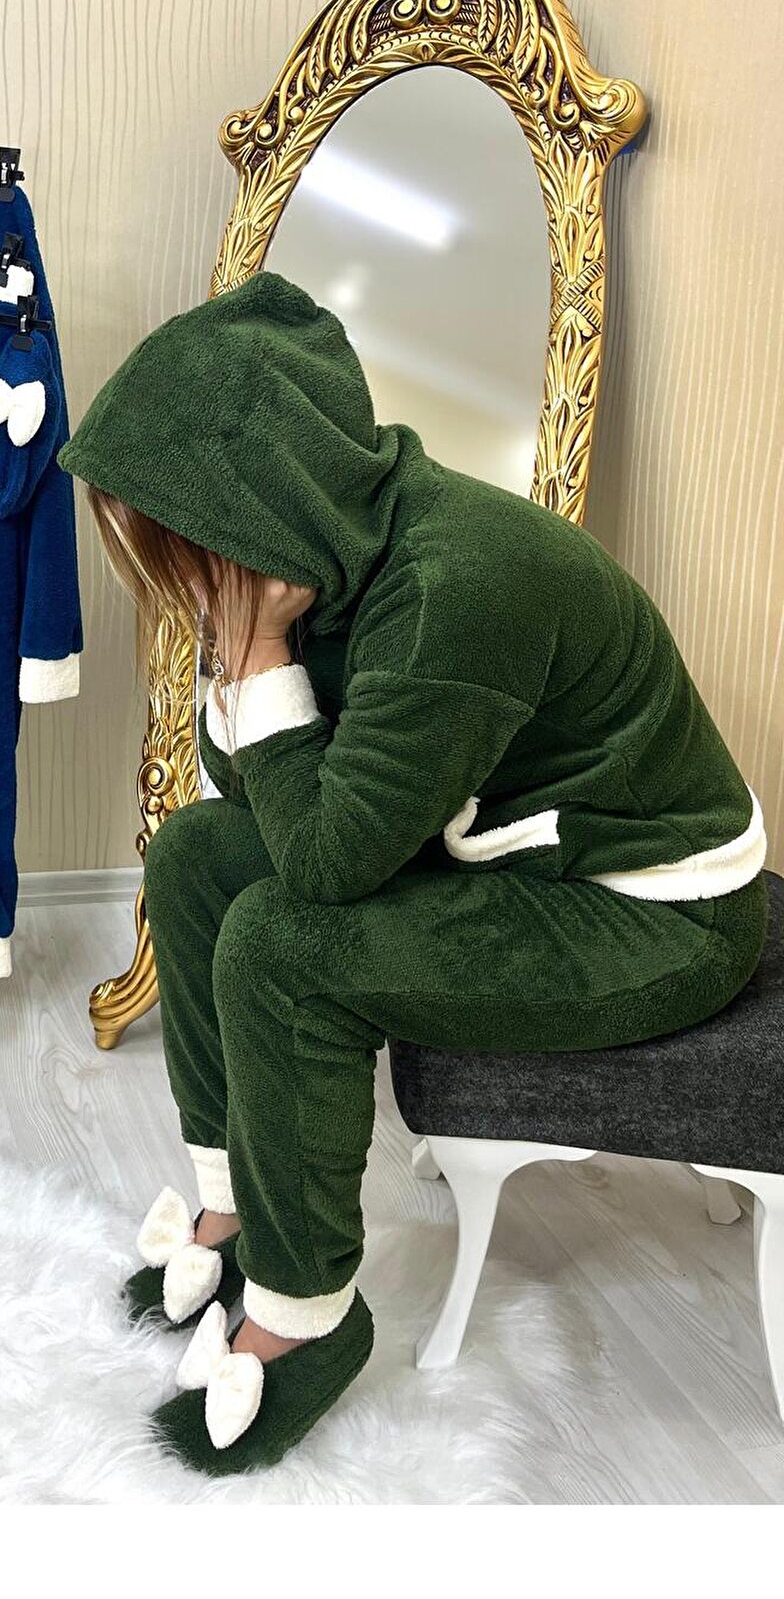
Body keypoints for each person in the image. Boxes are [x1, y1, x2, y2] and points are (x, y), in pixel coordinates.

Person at [58, 272, 768, 1476]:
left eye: (190, 540)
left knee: (283, 950)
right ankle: (232, 1211)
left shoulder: (450, 590)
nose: (180, 572)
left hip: (651, 912)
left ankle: (306, 1316)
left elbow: (324, 869)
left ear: (256, 502)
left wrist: (258, 653)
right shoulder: (330, 556)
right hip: (512, 848)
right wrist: (246, 646)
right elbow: (255, 799)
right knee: (192, 858)